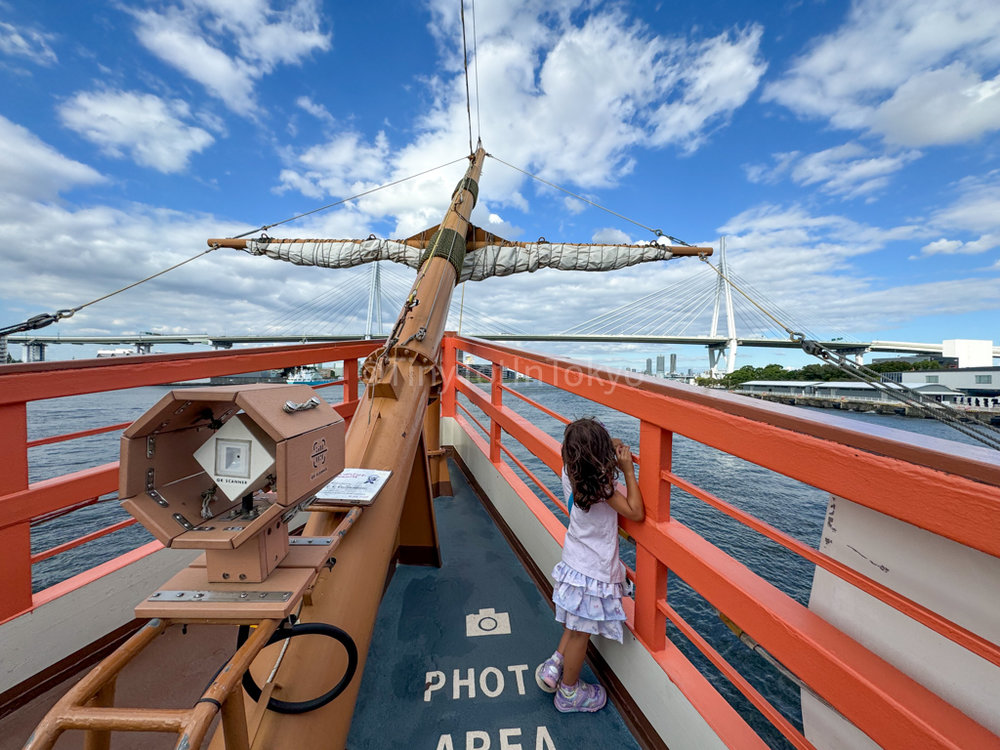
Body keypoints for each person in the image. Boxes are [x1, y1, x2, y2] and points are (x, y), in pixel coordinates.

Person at [534, 418, 645, 713]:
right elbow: (635, 511)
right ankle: (568, 693)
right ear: (597, 455)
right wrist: (628, 471)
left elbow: (583, 450)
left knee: (573, 622)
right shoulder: (603, 489)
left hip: (574, 561)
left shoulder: (571, 472)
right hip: (593, 571)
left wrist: (606, 445)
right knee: (581, 633)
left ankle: (554, 666)